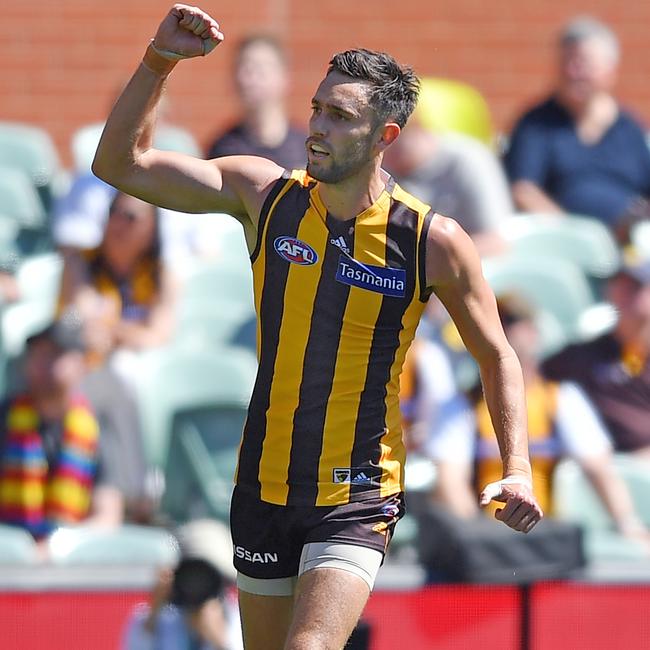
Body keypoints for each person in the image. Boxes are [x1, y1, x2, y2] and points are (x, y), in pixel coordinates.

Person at [92, 6, 542, 648]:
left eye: (340, 117)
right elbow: (121, 164)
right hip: (262, 485)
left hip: (357, 491)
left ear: (385, 136)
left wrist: (517, 466)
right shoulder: (265, 195)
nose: (317, 128)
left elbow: (498, 356)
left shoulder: (430, 241)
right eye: (316, 108)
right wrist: (159, 61)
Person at [416, 294, 650, 545]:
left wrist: (628, 524)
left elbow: (599, 469)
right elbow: (451, 484)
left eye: (510, 321)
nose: (502, 331)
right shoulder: (461, 406)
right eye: (496, 322)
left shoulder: (561, 399)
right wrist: (478, 541)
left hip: (544, 537)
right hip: (483, 540)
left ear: (533, 332)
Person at [505, 16, 650, 242]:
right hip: (563, 244)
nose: (573, 72)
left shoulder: (630, 129)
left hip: (632, 243)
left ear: (610, 69)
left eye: (583, 63)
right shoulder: (536, 125)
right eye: (567, 62)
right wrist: (576, 236)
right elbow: (523, 191)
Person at [0, 322, 122, 546]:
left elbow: (108, 516)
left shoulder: (96, 427)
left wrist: (58, 546)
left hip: (69, 563)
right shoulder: (5, 419)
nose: (43, 364)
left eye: (55, 355)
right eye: (37, 354)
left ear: (83, 365)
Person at [57, 190, 178, 383]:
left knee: (127, 367)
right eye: (113, 211)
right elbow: (86, 322)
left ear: (151, 227)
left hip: (138, 374)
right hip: (82, 366)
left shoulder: (162, 276)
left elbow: (158, 337)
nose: (117, 222)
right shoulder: (80, 262)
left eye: (130, 217)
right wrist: (129, 333)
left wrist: (115, 332)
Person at [542, 255, 650, 459]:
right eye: (618, 285)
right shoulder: (583, 355)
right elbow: (534, 378)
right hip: (598, 470)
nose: (623, 295)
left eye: (635, 288)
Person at [383, 114, 511, 257]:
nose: (382, 154)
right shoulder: (382, 167)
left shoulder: (468, 160)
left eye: (389, 141)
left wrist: (422, 262)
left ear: (415, 130)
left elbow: (495, 241)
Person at [123, 518, 243, 650]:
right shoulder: (154, 620)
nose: (198, 583)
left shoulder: (242, 621)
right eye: (192, 574)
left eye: (205, 576)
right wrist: (154, 614)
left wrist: (221, 643)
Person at [205, 34, 307, 169]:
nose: (248, 79)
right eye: (243, 68)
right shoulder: (223, 151)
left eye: (259, 68)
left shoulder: (306, 149)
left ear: (284, 78)